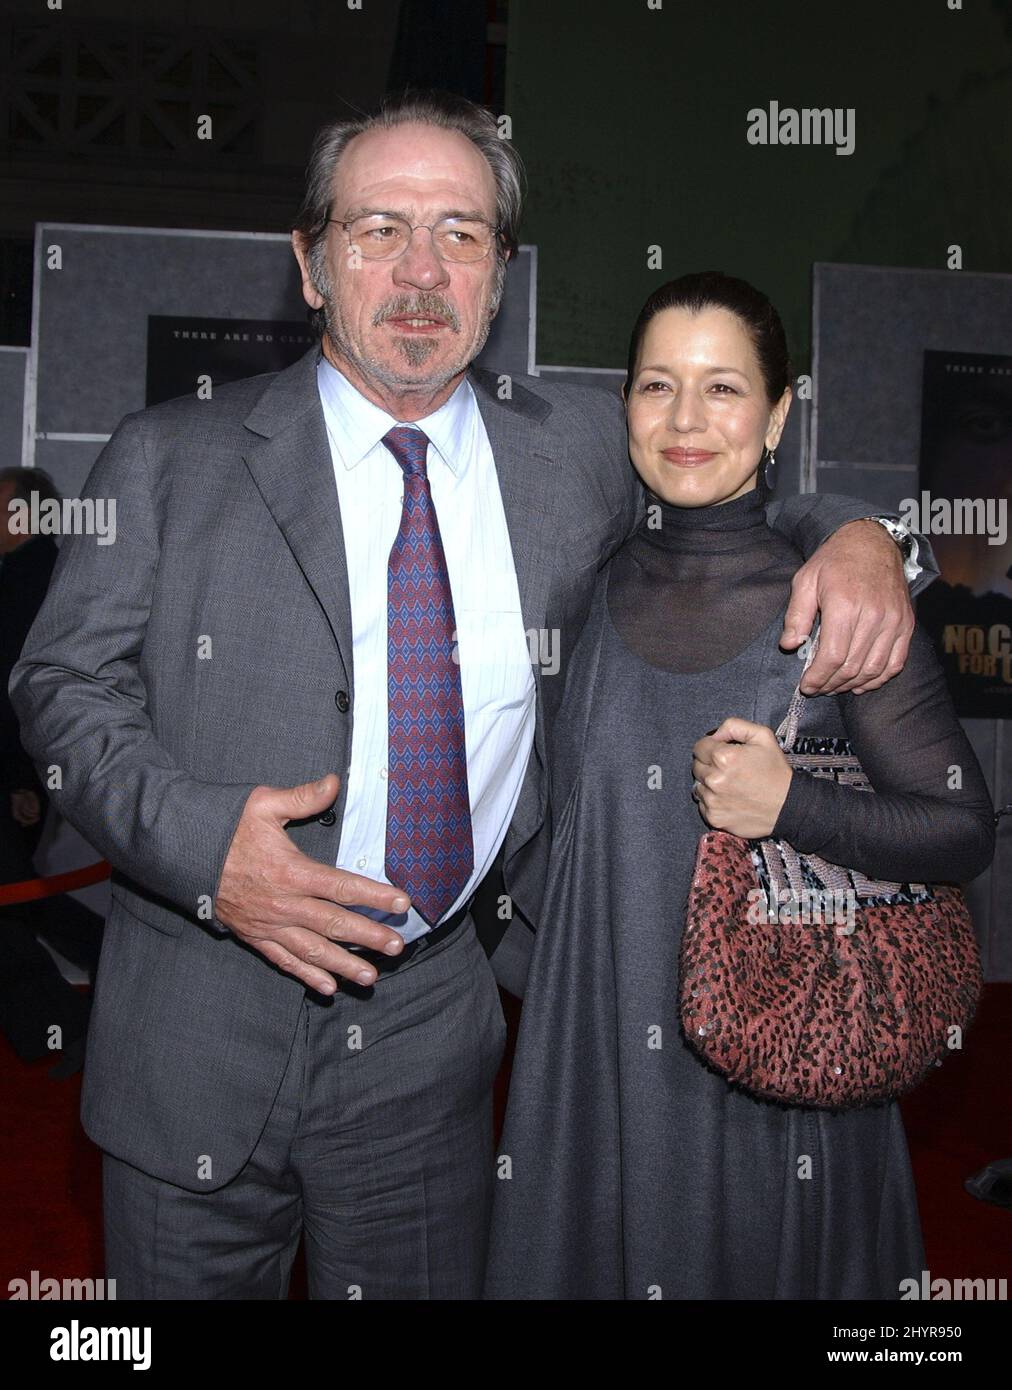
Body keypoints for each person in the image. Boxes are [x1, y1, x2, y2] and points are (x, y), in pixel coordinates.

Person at [11, 93, 932, 1301]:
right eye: (377, 228)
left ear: (499, 276)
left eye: (460, 234)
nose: (419, 271)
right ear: (309, 262)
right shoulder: (169, 458)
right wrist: (205, 851)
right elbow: (56, 681)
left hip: (431, 1041)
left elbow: (725, 478)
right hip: (198, 1027)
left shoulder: (569, 454)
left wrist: (860, 535)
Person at [483, 273, 995, 1301]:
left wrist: (795, 807)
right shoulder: (580, 587)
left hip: (773, 1059)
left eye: (722, 389)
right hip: (592, 1053)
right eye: (655, 386)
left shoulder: (838, 608)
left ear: (778, 412)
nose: (683, 420)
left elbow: (959, 827)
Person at [0, 467, 101, 1074]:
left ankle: (61, 1027)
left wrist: (19, 780)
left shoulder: (34, 581)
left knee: (16, 901)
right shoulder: (32, 575)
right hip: (23, 771)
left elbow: (21, 692)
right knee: (20, 899)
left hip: (17, 772)